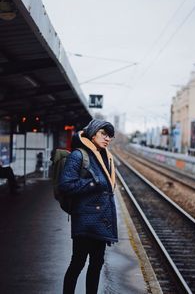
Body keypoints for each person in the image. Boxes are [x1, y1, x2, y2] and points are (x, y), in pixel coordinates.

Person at [59, 119, 118, 294]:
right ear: (92, 134)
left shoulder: (105, 156)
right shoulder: (78, 155)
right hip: (84, 219)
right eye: (103, 134)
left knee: (97, 264)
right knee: (78, 263)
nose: (107, 139)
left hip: (102, 220)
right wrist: (92, 184)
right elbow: (66, 185)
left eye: (110, 136)